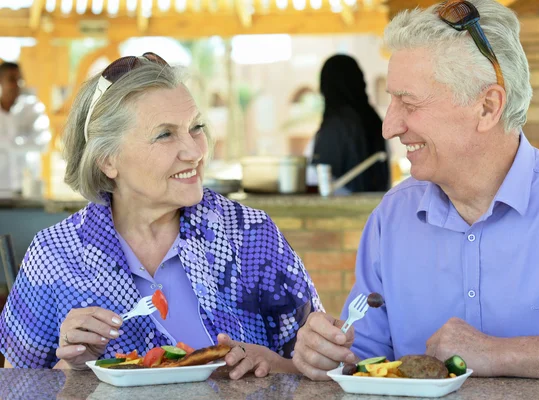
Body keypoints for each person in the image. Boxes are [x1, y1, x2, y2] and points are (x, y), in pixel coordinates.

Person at [293, 0, 539, 382]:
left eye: (409, 102)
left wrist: (498, 354)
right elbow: (362, 361)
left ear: (487, 107)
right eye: (391, 101)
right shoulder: (391, 218)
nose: (389, 127)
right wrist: (325, 356)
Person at [0, 53, 323, 378]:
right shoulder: (55, 254)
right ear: (107, 160)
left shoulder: (249, 234)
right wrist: (72, 366)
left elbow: (322, 369)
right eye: (165, 134)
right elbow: (15, 388)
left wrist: (273, 364)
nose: (195, 152)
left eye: (195, 127)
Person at [307, 54, 390, 194]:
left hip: (343, 210)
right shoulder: (373, 119)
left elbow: (317, 179)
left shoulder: (336, 124)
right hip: (377, 205)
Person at [0, 62, 50, 195]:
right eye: (11, 79)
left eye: (20, 79)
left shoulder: (33, 108)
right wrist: (22, 141)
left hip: (27, 188)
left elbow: (42, 142)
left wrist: (7, 143)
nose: (18, 84)